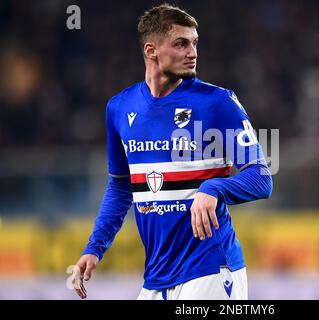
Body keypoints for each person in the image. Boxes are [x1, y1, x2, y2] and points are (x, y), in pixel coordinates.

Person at [71, 3, 272, 300]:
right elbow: (121, 185)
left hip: (211, 269)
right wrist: (94, 247)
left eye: (194, 43)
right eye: (181, 43)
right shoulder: (119, 108)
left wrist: (215, 187)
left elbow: (262, 177)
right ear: (151, 50)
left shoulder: (218, 103)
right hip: (156, 276)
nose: (192, 52)